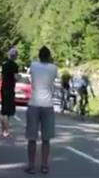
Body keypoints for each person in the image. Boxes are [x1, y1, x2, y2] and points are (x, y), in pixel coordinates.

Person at [25, 46, 58, 174]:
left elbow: (31, 76)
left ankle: (31, 166)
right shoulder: (53, 68)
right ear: (49, 57)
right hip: (47, 105)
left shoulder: (33, 65)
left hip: (34, 104)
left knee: (31, 138)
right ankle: (44, 165)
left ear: (39, 56)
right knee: (46, 139)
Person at [0, 47, 19, 137]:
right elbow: (15, 77)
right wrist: (17, 77)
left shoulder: (4, 65)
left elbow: (1, 77)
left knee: (3, 110)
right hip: (10, 88)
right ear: (15, 56)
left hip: (3, 87)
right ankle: (6, 131)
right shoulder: (14, 65)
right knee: (7, 111)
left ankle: (2, 130)